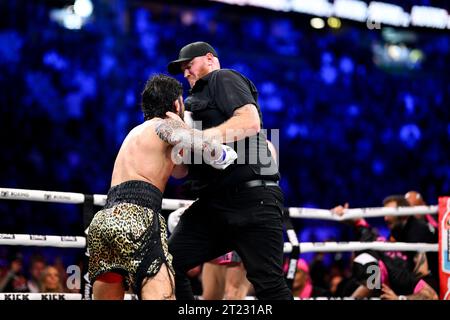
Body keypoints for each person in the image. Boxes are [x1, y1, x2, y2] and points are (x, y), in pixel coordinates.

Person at [87, 74, 237, 300]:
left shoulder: (134, 133)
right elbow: (212, 151)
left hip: (104, 221)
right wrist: (225, 152)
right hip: (136, 218)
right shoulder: (164, 126)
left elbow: (179, 171)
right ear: (177, 104)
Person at [167, 41, 292, 300]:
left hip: (253, 201)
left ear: (210, 59)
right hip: (213, 205)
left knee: (269, 286)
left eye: (189, 65)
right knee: (167, 262)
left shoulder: (223, 77)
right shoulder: (192, 107)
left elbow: (249, 121)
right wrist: (173, 139)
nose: (186, 73)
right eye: (183, 70)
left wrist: (196, 138)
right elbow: (180, 172)